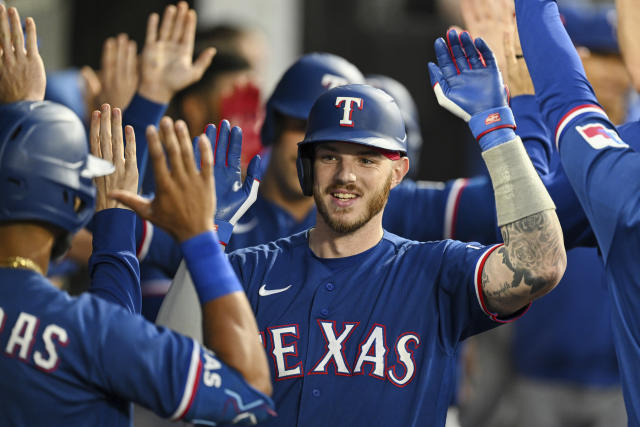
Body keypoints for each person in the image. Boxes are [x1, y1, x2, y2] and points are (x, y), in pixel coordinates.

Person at [120, 30, 567, 425]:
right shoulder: (246, 268)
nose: (345, 176)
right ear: (306, 167)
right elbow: (173, 376)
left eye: (368, 159)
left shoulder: (436, 270)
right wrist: (206, 234)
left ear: (399, 172)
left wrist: (497, 128)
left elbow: (542, 264)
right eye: (330, 156)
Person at [0, 5, 273, 425]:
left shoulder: (93, 331)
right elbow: (250, 396)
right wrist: (202, 237)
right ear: (75, 204)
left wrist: (20, 113)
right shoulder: (88, 333)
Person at [515, 0, 640, 424]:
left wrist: (514, 112)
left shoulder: (625, 179)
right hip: (542, 366)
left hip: (611, 382)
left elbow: (566, 94)